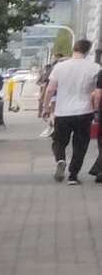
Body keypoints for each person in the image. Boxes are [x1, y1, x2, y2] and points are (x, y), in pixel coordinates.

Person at [41, 40, 101, 182]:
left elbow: (50, 89)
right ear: (87, 51)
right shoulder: (95, 67)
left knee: (59, 141)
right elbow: (95, 90)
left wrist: (45, 107)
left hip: (63, 111)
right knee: (80, 144)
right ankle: (73, 176)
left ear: (73, 49)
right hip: (84, 110)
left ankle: (60, 159)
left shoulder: (60, 67)